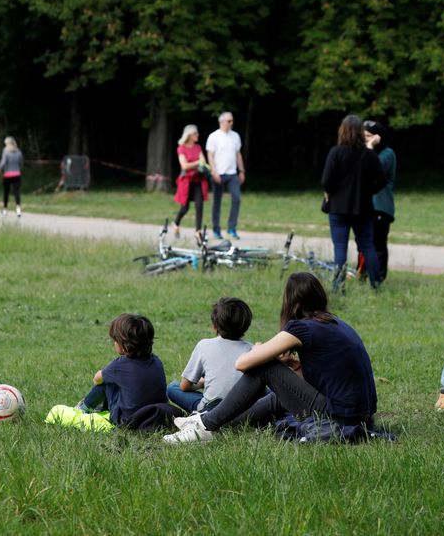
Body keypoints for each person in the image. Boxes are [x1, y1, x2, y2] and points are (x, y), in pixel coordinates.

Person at [163, 272, 378, 444]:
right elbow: (327, 375)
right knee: (277, 396)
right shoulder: (335, 323)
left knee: (264, 367)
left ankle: (205, 424)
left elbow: (243, 363)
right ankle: (209, 425)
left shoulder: (301, 328)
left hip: (336, 416)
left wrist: (257, 350)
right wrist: (296, 366)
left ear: (291, 301)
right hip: (359, 415)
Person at [321, 114, 388, 290]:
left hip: (338, 208)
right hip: (363, 208)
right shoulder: (369, 155)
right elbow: (382, 180)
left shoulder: (336, 152)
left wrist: (333, 192)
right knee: (368, 246)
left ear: (342, 131)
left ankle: (338, 286)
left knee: (340, 247)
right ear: (360, 132)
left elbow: (326, 181)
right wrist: (368, 192)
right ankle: (375, 284)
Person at [74, 313, 168, 426]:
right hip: (156, 415)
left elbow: (97, 379)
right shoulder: (156, 361)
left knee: (106, 381)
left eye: (115, 340)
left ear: (124, 345)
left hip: (127, 420)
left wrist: (101, 379)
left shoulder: (119, 365)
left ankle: (84, 407)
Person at [166, 297, 253, 414]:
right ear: (246, 325)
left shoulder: (204, 345)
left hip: (211, 409)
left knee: (173, 388)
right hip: (247, 409)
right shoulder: (253, 349)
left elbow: (184, 386)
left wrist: (202, 382)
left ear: (214, 326)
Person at [363, 120, 397, 282]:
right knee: (363, 244)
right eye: (362, 136)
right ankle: (361, 274)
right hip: (364, 205)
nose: (365, 140)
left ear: (378, 138)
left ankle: (378, 279)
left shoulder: (387, 153)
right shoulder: (364, 151)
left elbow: (374, 168)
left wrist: (369, 147)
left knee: (378, 245)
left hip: (380, 207)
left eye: (368, 136)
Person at [206, 111, 245, 240]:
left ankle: (232, 228)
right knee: (217, 201)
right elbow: (210, 155)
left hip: (232, 173)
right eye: (229, 121)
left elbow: (238, 154)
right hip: (219, 174)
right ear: (222, 122)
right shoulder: (214, 136)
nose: (231, 123)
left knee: (237, 198)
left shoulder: (235, 136)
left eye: (232, 121)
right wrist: (214, 171)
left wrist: (241, 170)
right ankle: (216, 229)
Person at [172, 124, 209, 242]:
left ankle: (198, 231)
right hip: (186, 181)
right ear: (189, 135)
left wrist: (199, 164)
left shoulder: (198, 147)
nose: (198, 135)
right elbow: (184, 166)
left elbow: (203, 162)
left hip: (198, 179)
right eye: (195, 134)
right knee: (185, 207)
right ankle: (176, 223)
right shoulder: (181, 148)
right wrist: (198, 162)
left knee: (200, 205)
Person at [0, 136, 23, 217]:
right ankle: (18, 210)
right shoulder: (19, 152)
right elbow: (21, 163)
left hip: (7, 175)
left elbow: (3, 163)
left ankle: (5, 210)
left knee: (6, 193)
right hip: (17, 174)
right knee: (16, 192)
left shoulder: (6, 151)